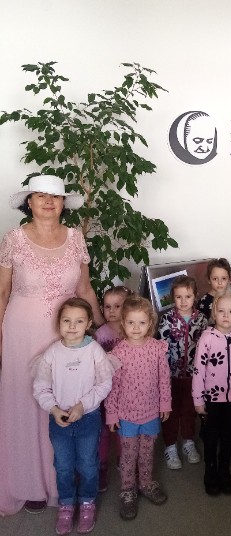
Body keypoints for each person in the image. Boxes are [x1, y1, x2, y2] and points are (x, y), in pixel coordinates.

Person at [0, 174, 103, 517]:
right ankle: (30, 483)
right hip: (22, 334)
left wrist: (101, 328)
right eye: (40, 195)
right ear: (28, 202)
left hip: (68, 334)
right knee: (26, 403)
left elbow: (85, 289)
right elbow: (2, 291)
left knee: (66, 398)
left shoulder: (76, 239)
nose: (48, 201)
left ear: (63, 204)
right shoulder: (13, 239)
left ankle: (66, 481)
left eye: (55, 196)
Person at [33, 298, 116, 535]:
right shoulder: (52, 353)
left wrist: (82, 406)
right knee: (63, 466)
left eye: (79, 321)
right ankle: (66, 505)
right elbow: (40, 388)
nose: (72, 326)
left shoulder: (94, 351)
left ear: (88, 324)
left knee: (88, 464)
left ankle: (87, 502)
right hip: (59, 420)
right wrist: (53, 409)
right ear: (58, 323)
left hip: (88, 418)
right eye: (66, 320)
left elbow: (104, 384)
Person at [105, 295, 171, 521]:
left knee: (147, 452)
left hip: (151, 413)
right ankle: (127, 489)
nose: (136, 327)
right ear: (123, 323)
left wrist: (165, 403)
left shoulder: (157, 349)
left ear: (149, 323)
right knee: (128, 455)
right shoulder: (118, 353)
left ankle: (145, 482)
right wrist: (111, 413)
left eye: (141, 322)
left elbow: (164, 379)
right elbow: (113, 386)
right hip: (127, 416)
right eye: (131, 322)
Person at [192, 291, 231, 496]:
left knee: (227, 436)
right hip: (211, 399)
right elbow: (198, 371)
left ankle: (224, 470)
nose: (226, 316)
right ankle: (210, 471)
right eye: (221, 311)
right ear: (214, 313)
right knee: (211, 436)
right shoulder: (207, 338)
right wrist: (198, 399)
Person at [157, 275, 208, 470]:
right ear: (173, 298)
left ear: (195, 296)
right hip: (170, 376)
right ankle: (170, 445)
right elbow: (161, 347)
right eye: (179, 297)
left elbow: (207, 347)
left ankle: (188, 441)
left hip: (194, 376)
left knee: (189, 410)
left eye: (188, 296)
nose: (184, 301)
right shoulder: (167, 319)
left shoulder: (202, 320)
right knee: (170, 411)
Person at [96, 285, 132, 492]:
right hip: (106, 391)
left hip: (126, 390)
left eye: (117, 306)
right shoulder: (100, 334)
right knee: (103, 430)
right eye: (107, 306)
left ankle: (122, 458)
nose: (111, 310)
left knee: (122, 428)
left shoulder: (131, 330)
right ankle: (101, 464)